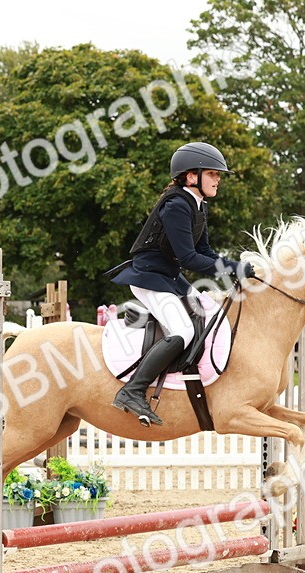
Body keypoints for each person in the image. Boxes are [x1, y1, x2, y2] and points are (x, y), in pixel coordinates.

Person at [109, 141, 244, 426]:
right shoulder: (176, 205)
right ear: (191, 176)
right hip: (149, 277)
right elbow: (190, 258)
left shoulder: (197, 205)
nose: (218, 179)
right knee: (182, 330)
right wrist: (233, 267)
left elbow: (205, 252)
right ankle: (132, 391)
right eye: (213, 174)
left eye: (218, 175)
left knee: (206, 311)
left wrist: (234, 269)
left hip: (168, 276)